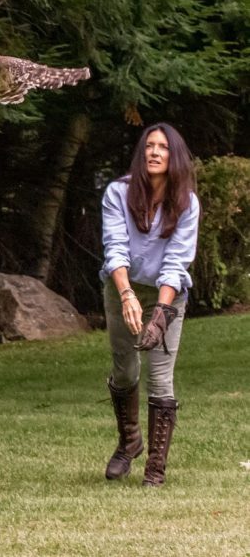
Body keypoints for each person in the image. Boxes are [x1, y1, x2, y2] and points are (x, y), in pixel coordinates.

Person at [100, 122, 200, 486]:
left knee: (161, 377)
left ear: (175, 156)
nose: (155, 152)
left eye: (163, 147)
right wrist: (127, 295)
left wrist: (160, 312)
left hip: (168, 294)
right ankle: (130, 443)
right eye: (149, 147)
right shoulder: (117, 193)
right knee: (125, 370)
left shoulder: (187, 202)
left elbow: (176, 262)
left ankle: (155, 468)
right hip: (121, 287)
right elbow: (115, 249)